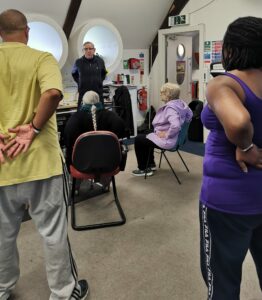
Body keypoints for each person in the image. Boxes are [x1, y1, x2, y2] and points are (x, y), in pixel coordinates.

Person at [0, 9, 88, 300]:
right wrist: (34, 129)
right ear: (26, 31)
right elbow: (52, 93)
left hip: (3, 166)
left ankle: (2, 288)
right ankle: (63, 293)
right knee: (53, 232)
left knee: (2, 236)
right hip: (41, 164)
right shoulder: (41, 58)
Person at [199, 16, 262, 300]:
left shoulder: (224, 83)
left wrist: (246, 146)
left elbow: (237, 123)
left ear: (232, 48)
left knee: (222, 284)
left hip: (227, 202)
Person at [132, 82, 193, 177]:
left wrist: (167, 134)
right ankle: (151, 164)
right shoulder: (181, 104)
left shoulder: (171, 108)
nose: (160, 94)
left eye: (162, 93)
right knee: (147, 132)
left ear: (168, 94)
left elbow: (176, 126)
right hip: (178, 139)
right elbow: (190, 116)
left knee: (139, 139)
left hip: (170, 140)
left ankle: (143, 168)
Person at [64, 90, 127, 171]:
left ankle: (79, 182)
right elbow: (122, 133)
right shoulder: (112, 116)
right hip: (109, 162)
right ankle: (105, 181)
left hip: (81, 164)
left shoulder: (75, 118)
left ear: (83, 102)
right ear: (99, 101)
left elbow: (68, 141)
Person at [71, 41, 107, 109]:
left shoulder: (100, 61)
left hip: (97, 93)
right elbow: (74, 74)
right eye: (86, 49)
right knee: (83, 116)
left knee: (99, 116)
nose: (88, 51)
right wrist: (80, 82)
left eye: (90, 48)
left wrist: (98, 81)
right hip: (83, 94)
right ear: (83, 50)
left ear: (94, 50)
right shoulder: (78, 62)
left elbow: (103, 73)